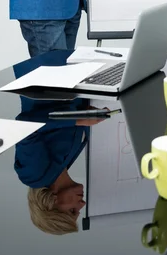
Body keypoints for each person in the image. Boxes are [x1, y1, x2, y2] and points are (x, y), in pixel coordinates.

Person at [15, 96, 107, 235]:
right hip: (69, 83)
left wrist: (78, 119)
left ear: (52, 203)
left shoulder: (35, 176)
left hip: (43, 80)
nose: (82, 204)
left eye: (72, 210)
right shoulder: (65, 164)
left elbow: (24, 127)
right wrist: (82, 112)